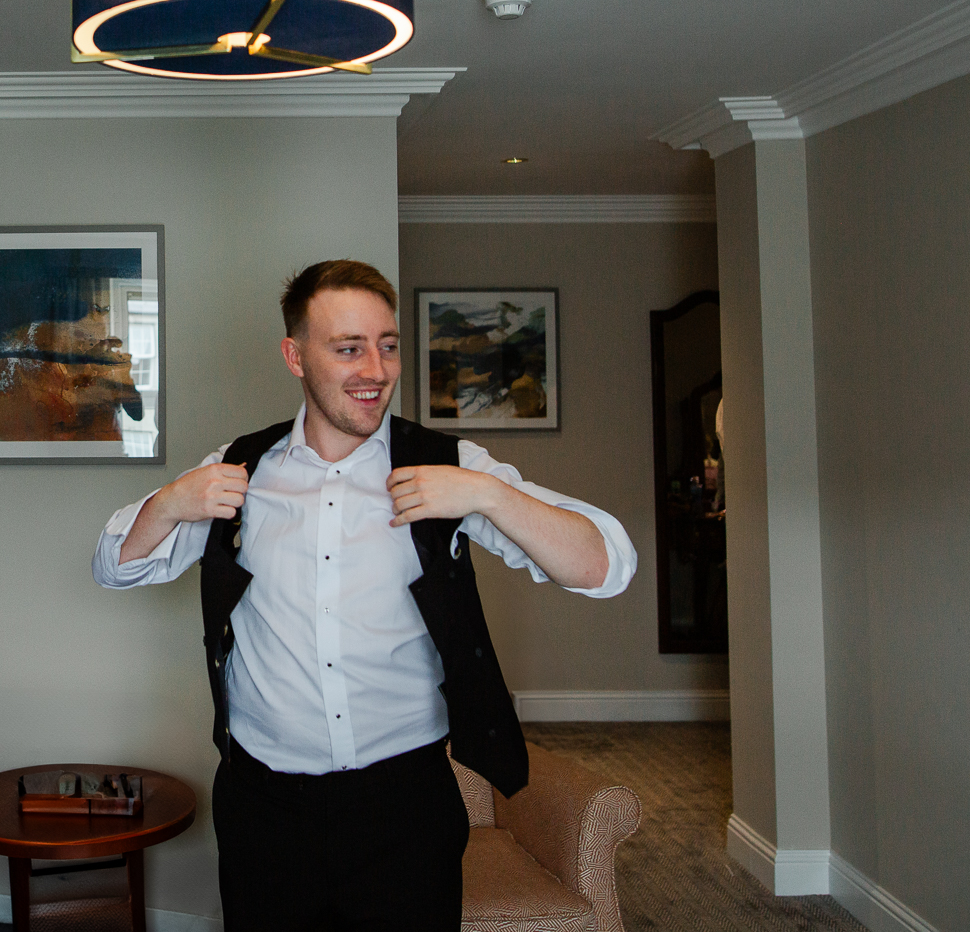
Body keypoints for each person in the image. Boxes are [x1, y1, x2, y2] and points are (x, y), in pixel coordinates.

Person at [92, 260, 635, 932]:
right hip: (264, 807)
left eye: (387, 345)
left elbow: (606, 566)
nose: (374, 370)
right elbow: (116, 565)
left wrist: (489, 494)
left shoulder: (448, 464)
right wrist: (172, 503)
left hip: (404, 807)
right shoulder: (238, 467)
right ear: (294, 355)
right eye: (348, 349)